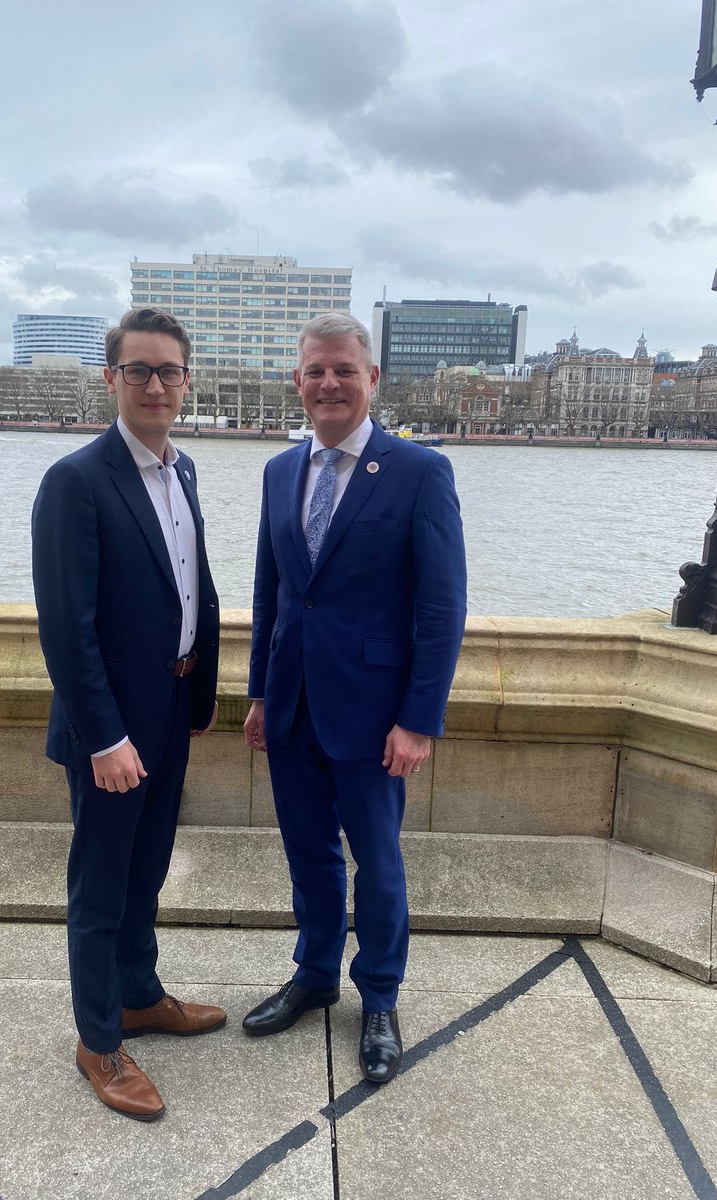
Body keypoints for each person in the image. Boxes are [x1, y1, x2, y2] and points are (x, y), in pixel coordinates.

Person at [242, 313, 467, 1085]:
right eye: (315, 371)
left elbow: (442, 609)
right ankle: (313, 975)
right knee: (307, 854)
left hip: (375, 717)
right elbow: (272, 593)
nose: (329, 383)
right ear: (297, 383)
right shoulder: (279, 472)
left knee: (377, 861)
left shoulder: (418, 472)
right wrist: (261, 694)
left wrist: (418, 719)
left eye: (343, 369)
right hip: (293, 705)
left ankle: (379, 998)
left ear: (371, 380)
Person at [32, 308, 224, 1121]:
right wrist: (104, 736)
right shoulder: (76, 481)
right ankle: (98, 1040)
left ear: (186, 381)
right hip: (112, 724)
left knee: (146, 872)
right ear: (111, 380)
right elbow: (65, 626)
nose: (155, 385)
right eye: (138, 370)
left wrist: (200, 693)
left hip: (171, 704)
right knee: (102, 887)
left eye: (168, 371)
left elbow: (191, 588)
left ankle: (141, 995)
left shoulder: (181, 472)